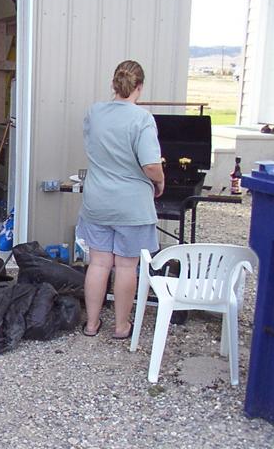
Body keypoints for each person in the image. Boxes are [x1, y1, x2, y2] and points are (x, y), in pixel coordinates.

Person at [77, 60, 164, 339]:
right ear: (139, 87)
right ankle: (121, 326)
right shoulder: (142, 119)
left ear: (114, 84)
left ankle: (91, 324)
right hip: (131, 205)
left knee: (99, 263)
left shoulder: (95, 112)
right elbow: (151, 165)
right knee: (126, 266)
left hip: (97, 200)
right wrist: (160, 181)